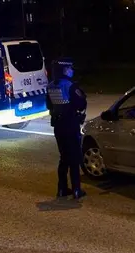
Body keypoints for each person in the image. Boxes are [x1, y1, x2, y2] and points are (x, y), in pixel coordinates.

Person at [46, 57, 88, 199]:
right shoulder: (70, 86)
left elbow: (49, 105)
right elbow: (81, 104)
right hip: (70, 125)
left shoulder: (51, 85)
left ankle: (62, 189)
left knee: (64, 157)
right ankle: (76, 189)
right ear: (65, 69)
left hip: (58, 126)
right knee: (74, 157)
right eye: (70, 68)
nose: (71, 71)